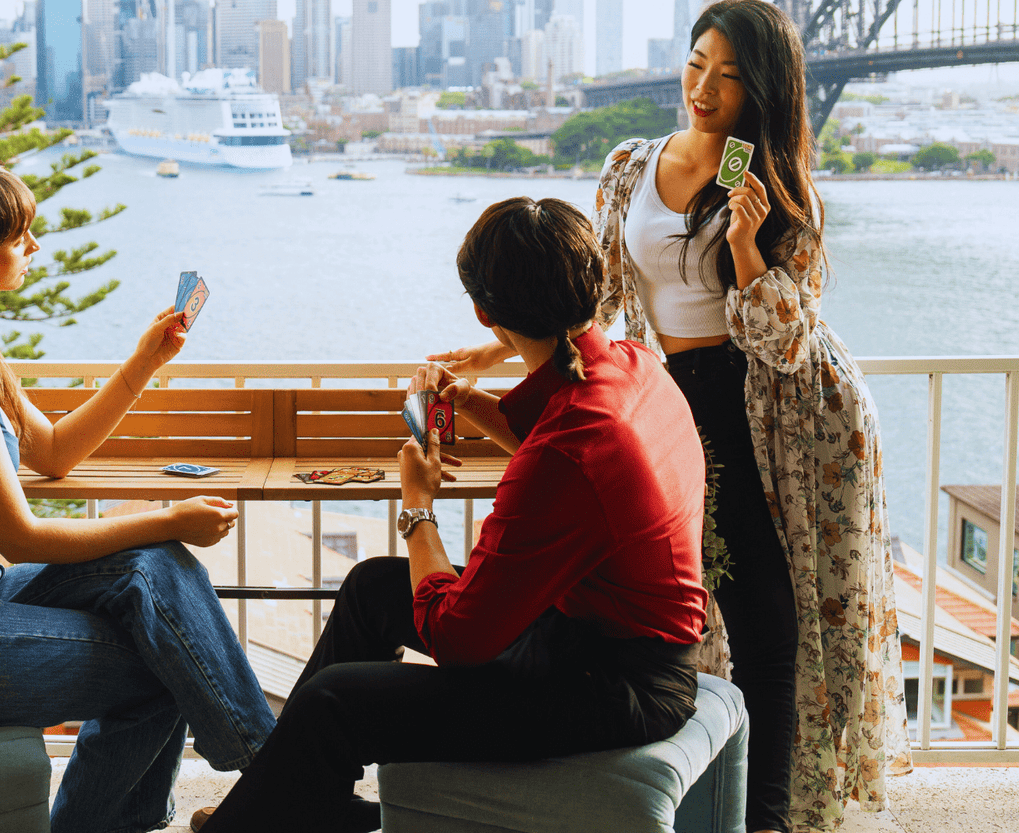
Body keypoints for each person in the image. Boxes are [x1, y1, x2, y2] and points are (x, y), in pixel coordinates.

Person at [427, 3, 910, 831]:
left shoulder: (778, 191)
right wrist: (493, 350)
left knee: (769, 614)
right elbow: (598, 301)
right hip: (671, 396)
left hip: (779, 413)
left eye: (728, 76)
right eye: (696, 64)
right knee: (697, 609)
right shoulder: (629, 168)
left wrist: (752, 247)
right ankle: (711, 793)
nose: (704, 88)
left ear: (761, 90)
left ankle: (768, 815)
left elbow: (785, 342)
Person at [194, 196, 709, 833]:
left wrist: (417, 507)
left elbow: (457, 639)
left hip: (617, 686)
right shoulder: (634, 366)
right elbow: (565, 452)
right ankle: (291, 803)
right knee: (372, 588)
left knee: (336, 699)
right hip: (597, 639)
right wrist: (467, 400)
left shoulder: (569, 447)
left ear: (483, 312)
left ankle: (251, 820)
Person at [0, 160, 275, 833]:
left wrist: (146, 361)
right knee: (164, 656)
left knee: (155, 572)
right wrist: (169, 516)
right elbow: (21, 537)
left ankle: (275, 775)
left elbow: (55, 451)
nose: (34, 246)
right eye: (20, 235)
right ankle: (279, 779)